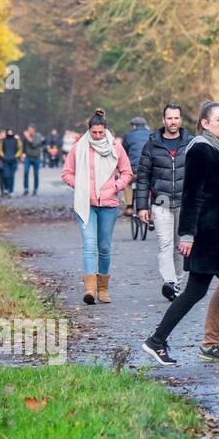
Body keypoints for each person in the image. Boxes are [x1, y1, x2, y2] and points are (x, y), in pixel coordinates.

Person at [142, 102, 219, 365]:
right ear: (204, 123)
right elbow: (192, 194)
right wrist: (187, 234)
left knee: (196, 292)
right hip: (207, 234)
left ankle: (156, 340)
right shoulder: (201, 149)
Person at [61, 109, 133, 304]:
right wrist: (79, 184)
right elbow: (66, 173)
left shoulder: (116, 147)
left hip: (108, 205)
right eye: (95, 132)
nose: (98, 136)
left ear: (106, 130)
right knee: (89, 245)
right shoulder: (79, 148)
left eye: (101, 132)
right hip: (85, 203)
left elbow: (127, 172)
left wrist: (115, 187)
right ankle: (90, 290)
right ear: (89, 130)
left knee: (104, 247)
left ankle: (103, 288)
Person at [136, 104, 192, 302]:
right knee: (165, 244)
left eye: (176, 118)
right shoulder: (152, 145)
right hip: (161, 202)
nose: (173, 122)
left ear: (180, 119)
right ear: (163, 120)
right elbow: (143, 178)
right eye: (169, 118)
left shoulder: (191, 143)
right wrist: (141, 206)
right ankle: (169, 282)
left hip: (186, 204)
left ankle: (177, 282)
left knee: (181, 247)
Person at [121, 115, 151, 216]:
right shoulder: (152, 135)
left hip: (134, 170)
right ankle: (151, 207)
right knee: (151, 184)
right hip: (149, 169)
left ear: (133, 126)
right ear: (145, 125)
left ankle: (129, 207)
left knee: (127, 183)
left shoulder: (129, 136)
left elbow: (123, 153)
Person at [19, 125, 42, 195]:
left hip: (36, 157)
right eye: (28, 130)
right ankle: (26, 189)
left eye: (30, 130)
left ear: (33, 130)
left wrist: (27, 136)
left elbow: (34, 144)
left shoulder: (38, 136)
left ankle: (35, 189)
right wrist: (22, 154)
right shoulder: (26, 137)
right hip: (28, 157)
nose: (28, 131)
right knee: (26, 172)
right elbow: (23, 145)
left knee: (36, 174)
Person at [0, 129, 20, 196]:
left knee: (11, 176)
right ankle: (6, 188)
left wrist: (15, 156)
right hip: (5, 161)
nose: (10, 133)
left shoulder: (16, 140)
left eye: (11, 132)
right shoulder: (2, 141)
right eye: (8, 132)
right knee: (5, 176)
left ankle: (11, 191)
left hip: (13, 161)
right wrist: (3, 156)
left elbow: (20, 148)